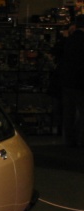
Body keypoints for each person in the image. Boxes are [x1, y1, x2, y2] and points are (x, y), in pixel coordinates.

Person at [59, 14, 84, 148]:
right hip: (80, 83)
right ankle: (80, 139)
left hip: (67, 81)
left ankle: (69, 141)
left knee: (69, 112)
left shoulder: (68, 40)